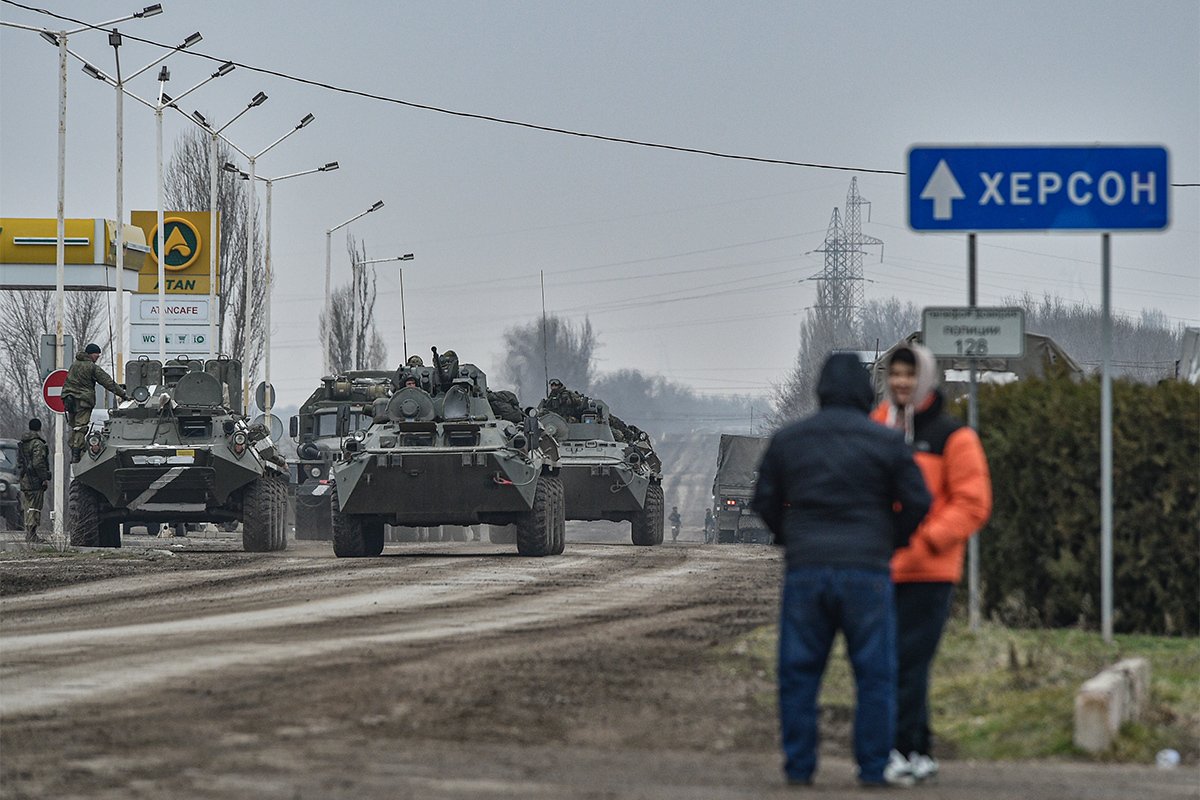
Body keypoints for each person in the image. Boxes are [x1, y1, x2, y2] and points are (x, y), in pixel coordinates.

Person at [751, 352, 931, 789]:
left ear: (820, 391)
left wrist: (789, 536)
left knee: (799, 671)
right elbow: (918, 501)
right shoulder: (886, 442)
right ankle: (872, 769)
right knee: (874, 673)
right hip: (867, 571)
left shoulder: (790, 440)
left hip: (807, 570)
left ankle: (799, 767)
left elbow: (764, 502)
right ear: (866, 394)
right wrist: (891, 540)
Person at [871, 343, 992, 784]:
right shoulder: (877, 427)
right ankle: (919, 749)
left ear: (924, 378)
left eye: (909, 374)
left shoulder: (953, 436)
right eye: (895, 374)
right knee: (894, 661)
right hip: (881, 569)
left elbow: (973, 504)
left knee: (908, 661)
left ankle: (900, 748)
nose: (901, 382)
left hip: (930, 571)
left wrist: (924, 540)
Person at [63, 343, 127, 463]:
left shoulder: (74, 365)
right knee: (81, 427)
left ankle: (75, 450)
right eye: (96, 354)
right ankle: (76, 454)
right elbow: (107, 382)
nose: (97, 356)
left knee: (74, 427)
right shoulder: (91, 367)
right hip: (83, 400)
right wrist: (123, 394)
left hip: (69, 400)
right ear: (91, 354)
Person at [17, 418, 50, 543]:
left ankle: (29, 533)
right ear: (39, 428)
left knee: (28, 507)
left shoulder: (23, 442)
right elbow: (38, 463)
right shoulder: (37, 444)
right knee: (35, 507)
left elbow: (20, 462)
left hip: (25, 479)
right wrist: (44, 478)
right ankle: (32, 534)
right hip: (34, 480)